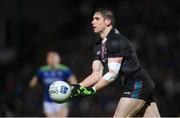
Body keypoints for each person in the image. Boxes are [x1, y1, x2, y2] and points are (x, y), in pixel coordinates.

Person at [71, 8, 160, 117]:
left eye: (97, 18)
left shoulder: (115, 41)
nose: (92, 21)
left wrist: (93, 89)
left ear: (107, 22)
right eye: (93, 19)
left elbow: (112, 74)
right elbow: (96, 74)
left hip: (137, 84)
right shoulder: (99, 45)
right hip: (139, 84)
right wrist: (77, 87)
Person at [29, 51, 78, 117]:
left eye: (54, 58)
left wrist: (68, 92)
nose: (52, 60)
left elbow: (74, 82)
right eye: (50, 58)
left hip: (62, 100)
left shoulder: (65, 70)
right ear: (47, 60)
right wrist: (33, 83)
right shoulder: (42, 70)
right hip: (48, 101)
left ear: (58, 59)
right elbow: (32, 83)